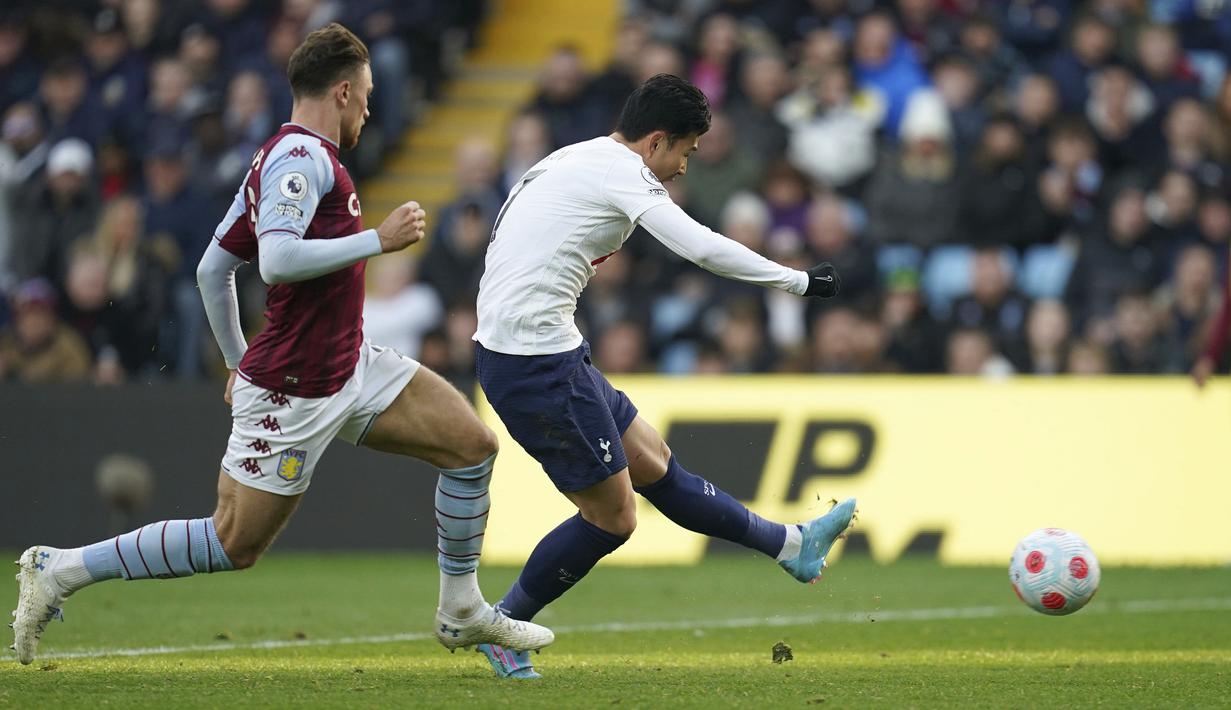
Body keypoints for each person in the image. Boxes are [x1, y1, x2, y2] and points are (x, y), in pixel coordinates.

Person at [10, 22, 552, 666]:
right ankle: (60, 567)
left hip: (347, 363)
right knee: (233, 541)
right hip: (295, 386)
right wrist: (377, 241)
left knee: (470, 446)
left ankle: (461, 611)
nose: (372, 108)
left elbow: (213, 270)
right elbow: (277, 261)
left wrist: (240, 362)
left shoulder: (277, 157)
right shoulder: (302, 160)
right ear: (345, 91)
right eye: (369, 93)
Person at [471, 74, 856, 679]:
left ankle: (791, 545)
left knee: (652, 459)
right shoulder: (620, 172)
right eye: (685, 151)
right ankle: (502, 624)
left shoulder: (576, 157)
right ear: (655, 141)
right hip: (532, 362)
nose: (682, 169)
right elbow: (698, 247)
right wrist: (797, 280)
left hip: (546, 350)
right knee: (613, 517)